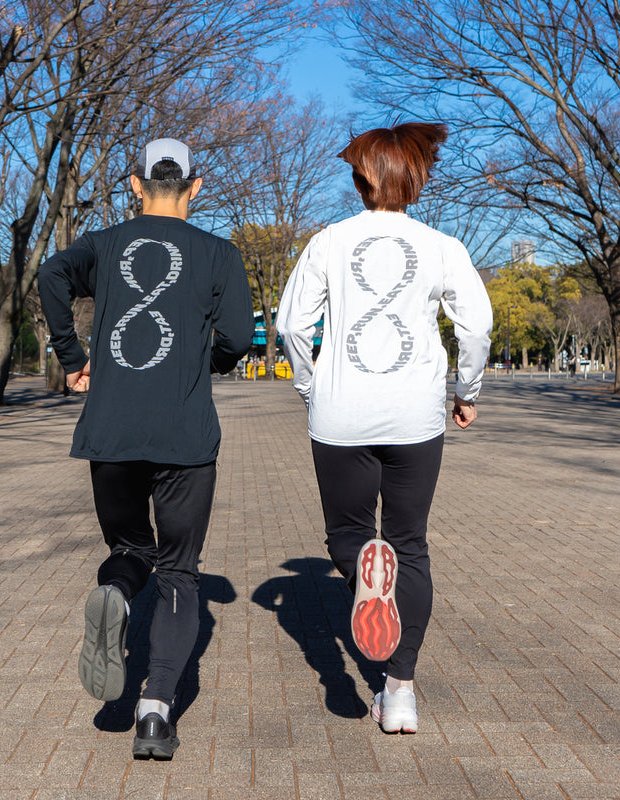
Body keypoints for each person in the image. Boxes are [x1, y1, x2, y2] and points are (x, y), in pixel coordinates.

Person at [38, 138, 254, 759]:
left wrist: (72, 356)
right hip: (184, 436)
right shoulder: (218, 253)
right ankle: (155, 710)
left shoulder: (105, 245)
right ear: (197, 185)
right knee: (180, 572)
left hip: (111, 430)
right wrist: (201, 359)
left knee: (130, 548)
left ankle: (116, 594)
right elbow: (237, 336)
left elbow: (51, 273)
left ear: (135, 184)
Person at [276, 122, 492, 735]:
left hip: (341, 413)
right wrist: (466, 392)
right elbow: (475, 327)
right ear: (418, 179)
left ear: (358, 180)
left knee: (346, 537)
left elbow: (294, 324)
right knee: (411, 543)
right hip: (415, 415)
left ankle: (362, 571)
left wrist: (310, 385)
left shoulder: (327, 241)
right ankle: (399, 692)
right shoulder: (443, 245)